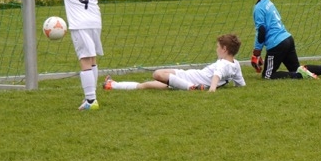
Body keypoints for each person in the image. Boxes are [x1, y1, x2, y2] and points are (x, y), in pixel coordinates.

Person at [27, 0, 152, 111]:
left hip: (79, 25)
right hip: (95, 23)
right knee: (92, 59)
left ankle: (91, 101)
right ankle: (91, 97)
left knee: (85, 60)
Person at [102, 34, 245, 92]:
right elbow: (240, 84)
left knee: (157, 74)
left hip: (189, 80)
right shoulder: (235, 64)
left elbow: (217, 75)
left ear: (224, 49)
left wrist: (212, 89)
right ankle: (112, 85)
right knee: (145, 85)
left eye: (218, 47)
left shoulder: (222, 64)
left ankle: (191, 88)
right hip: (187, 77)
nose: (216, 49)